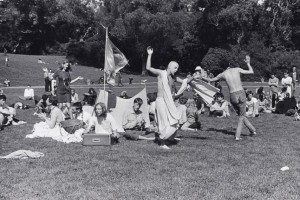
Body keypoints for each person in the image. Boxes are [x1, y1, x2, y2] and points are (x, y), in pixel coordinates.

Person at [146, 46, 191, 149]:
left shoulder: (173, 77)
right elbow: (148, 68)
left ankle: (167, 138)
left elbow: (185, 81)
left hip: (169, 102)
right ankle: (162, 143)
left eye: (177, 68)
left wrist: (194, 78)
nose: (176, 70)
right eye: (175, 68)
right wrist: (149, 55)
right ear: (169, 67)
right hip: (161, 101)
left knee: (173, 119)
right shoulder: (161, 73)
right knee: (163, 121)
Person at [203, 55, 256, 141]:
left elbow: (211, 80)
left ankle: (252, 130)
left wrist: (201, 77)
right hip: (241, 93)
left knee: (241, 115)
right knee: (242, 116)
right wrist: (248, 63)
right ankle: (237, 136)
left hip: (232, 95)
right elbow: (251, 71)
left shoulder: (223, 74)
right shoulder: (237, 69)